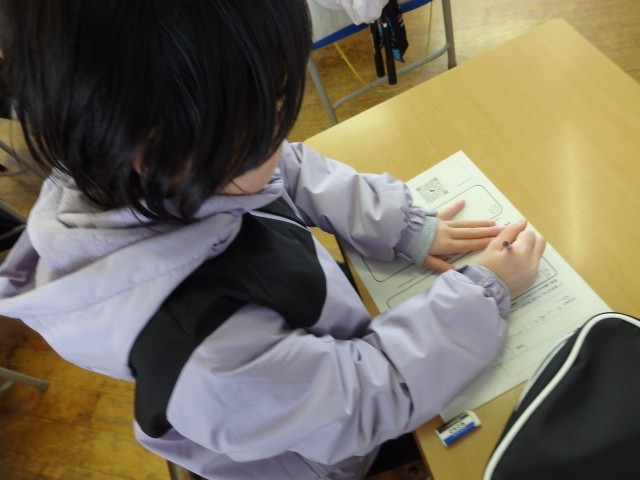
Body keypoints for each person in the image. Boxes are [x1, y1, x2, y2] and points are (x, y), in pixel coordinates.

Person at [0, 1, 546, 479]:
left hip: (317, 347)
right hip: (324, 450)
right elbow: (360, 404)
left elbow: (292, 170)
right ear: (156, 148)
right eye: (267, 118)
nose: (281, 134)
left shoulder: (165, 161)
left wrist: (403, 225)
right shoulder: (208, 357)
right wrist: (483, 292)